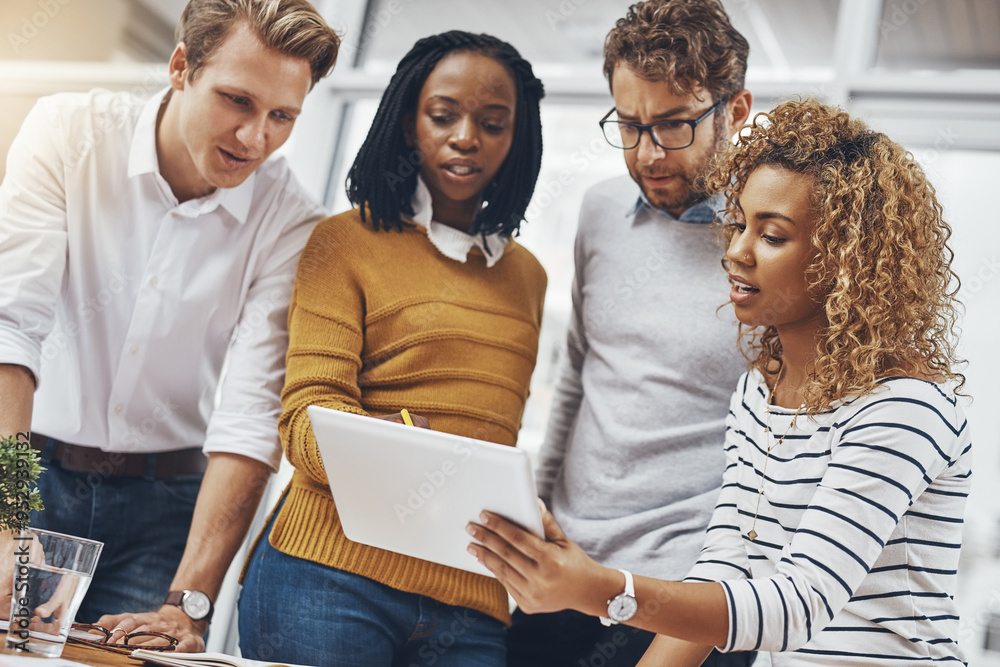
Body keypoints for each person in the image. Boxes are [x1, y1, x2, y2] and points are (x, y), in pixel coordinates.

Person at [469, 98, 971, 667]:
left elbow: (795, 605)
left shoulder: (903, 409)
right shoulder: (758, 396)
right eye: (738, 225)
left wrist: (593, 589)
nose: (735, 252)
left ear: (845, 260)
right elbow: (727, 570)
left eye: (772, 235)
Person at [0, 0, 340, 651]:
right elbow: (11, 328)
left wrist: (190, 601)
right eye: (236, 100)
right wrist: (4, 517)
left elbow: (250, 413)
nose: (254, 138)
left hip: (168, 512)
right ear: (181, 66)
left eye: (282, 116)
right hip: (28, 469)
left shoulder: (292, 221)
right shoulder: (68, 132)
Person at [236, 30, 547, 667]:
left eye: (493, 123)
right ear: (409, 124)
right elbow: (304, 422)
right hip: (327, 578)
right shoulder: (343, 242)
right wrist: (413, 447)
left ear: (517, 139)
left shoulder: (529, 277)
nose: (466, 137)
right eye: (443, 116)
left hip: (470, 602)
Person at [506, 1, 753, 665]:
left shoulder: (771, 239)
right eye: (629, 124)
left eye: (673, 126)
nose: (647, 153)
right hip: (566, 569)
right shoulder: (601, 212)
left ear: (736, 110)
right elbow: (578, 375)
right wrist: (536, 505)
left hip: (686, 591)